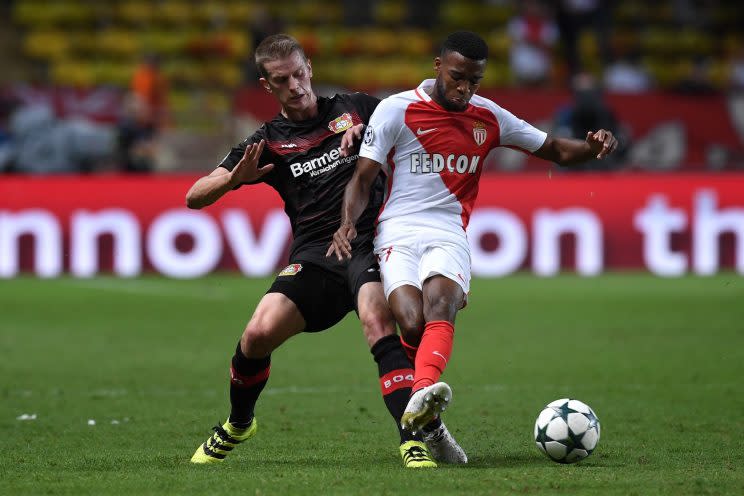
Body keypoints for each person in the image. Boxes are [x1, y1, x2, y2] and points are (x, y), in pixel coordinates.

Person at [186, 34, 466, 469]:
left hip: (371, 241)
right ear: (267, 86)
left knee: (378, 320)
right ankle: (239, 423)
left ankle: (410, 439)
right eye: (282, 80)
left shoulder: (356, 108)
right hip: (315, 254)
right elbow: (194, 197)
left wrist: (371, 130)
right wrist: (231, 178)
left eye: (299, 74)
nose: (295, 85)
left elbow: (417, 104)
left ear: (310, 67)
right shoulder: (267, 141)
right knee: (257, 334)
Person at [327, 31, 617, 434]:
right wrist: (346, 223)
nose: (465, 88)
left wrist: (592, 146)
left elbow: (554, 150)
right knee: (410, 324)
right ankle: (431, 423)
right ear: (438, 66)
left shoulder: (489, 116)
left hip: (447, 229)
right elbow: (362, 179)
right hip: (396, 231)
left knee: (440, 304)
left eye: (474, 81)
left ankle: (424, 391)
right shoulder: (396, 110)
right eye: (457, 77)